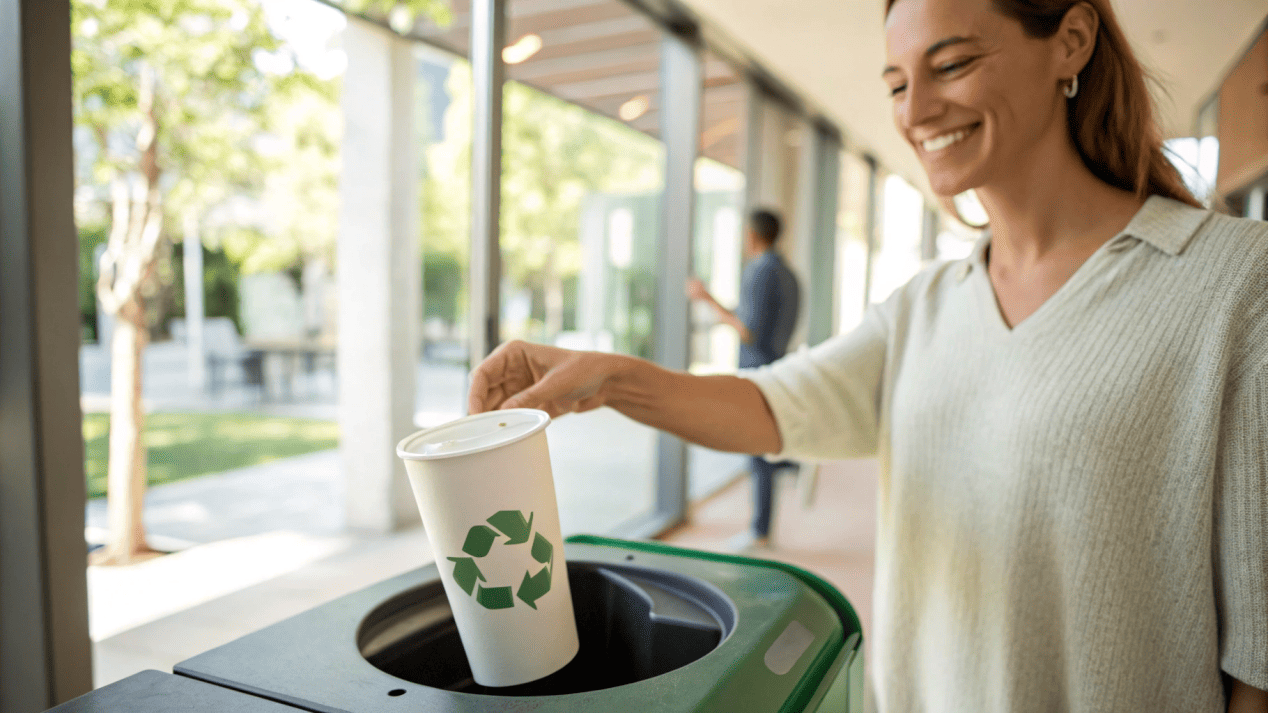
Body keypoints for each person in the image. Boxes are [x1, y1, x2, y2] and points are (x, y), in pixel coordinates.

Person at [467, 0, 1268, 709]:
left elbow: (1259, 659)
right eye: (894, 83)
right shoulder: (924, 305)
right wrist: (603, 375)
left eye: (951, 64)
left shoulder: (1233, 285)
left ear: (1072, 42)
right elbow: (774, 406)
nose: (916, 109)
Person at [686, 208, 800, 549]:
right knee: (766, 445)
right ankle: (795, 461)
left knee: (758, 449)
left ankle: (761, 530)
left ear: (752, 236)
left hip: (757, 372)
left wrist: (705, 300)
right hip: (777, 367)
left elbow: (747, 330)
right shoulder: (789, 274)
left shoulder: (760, 272)